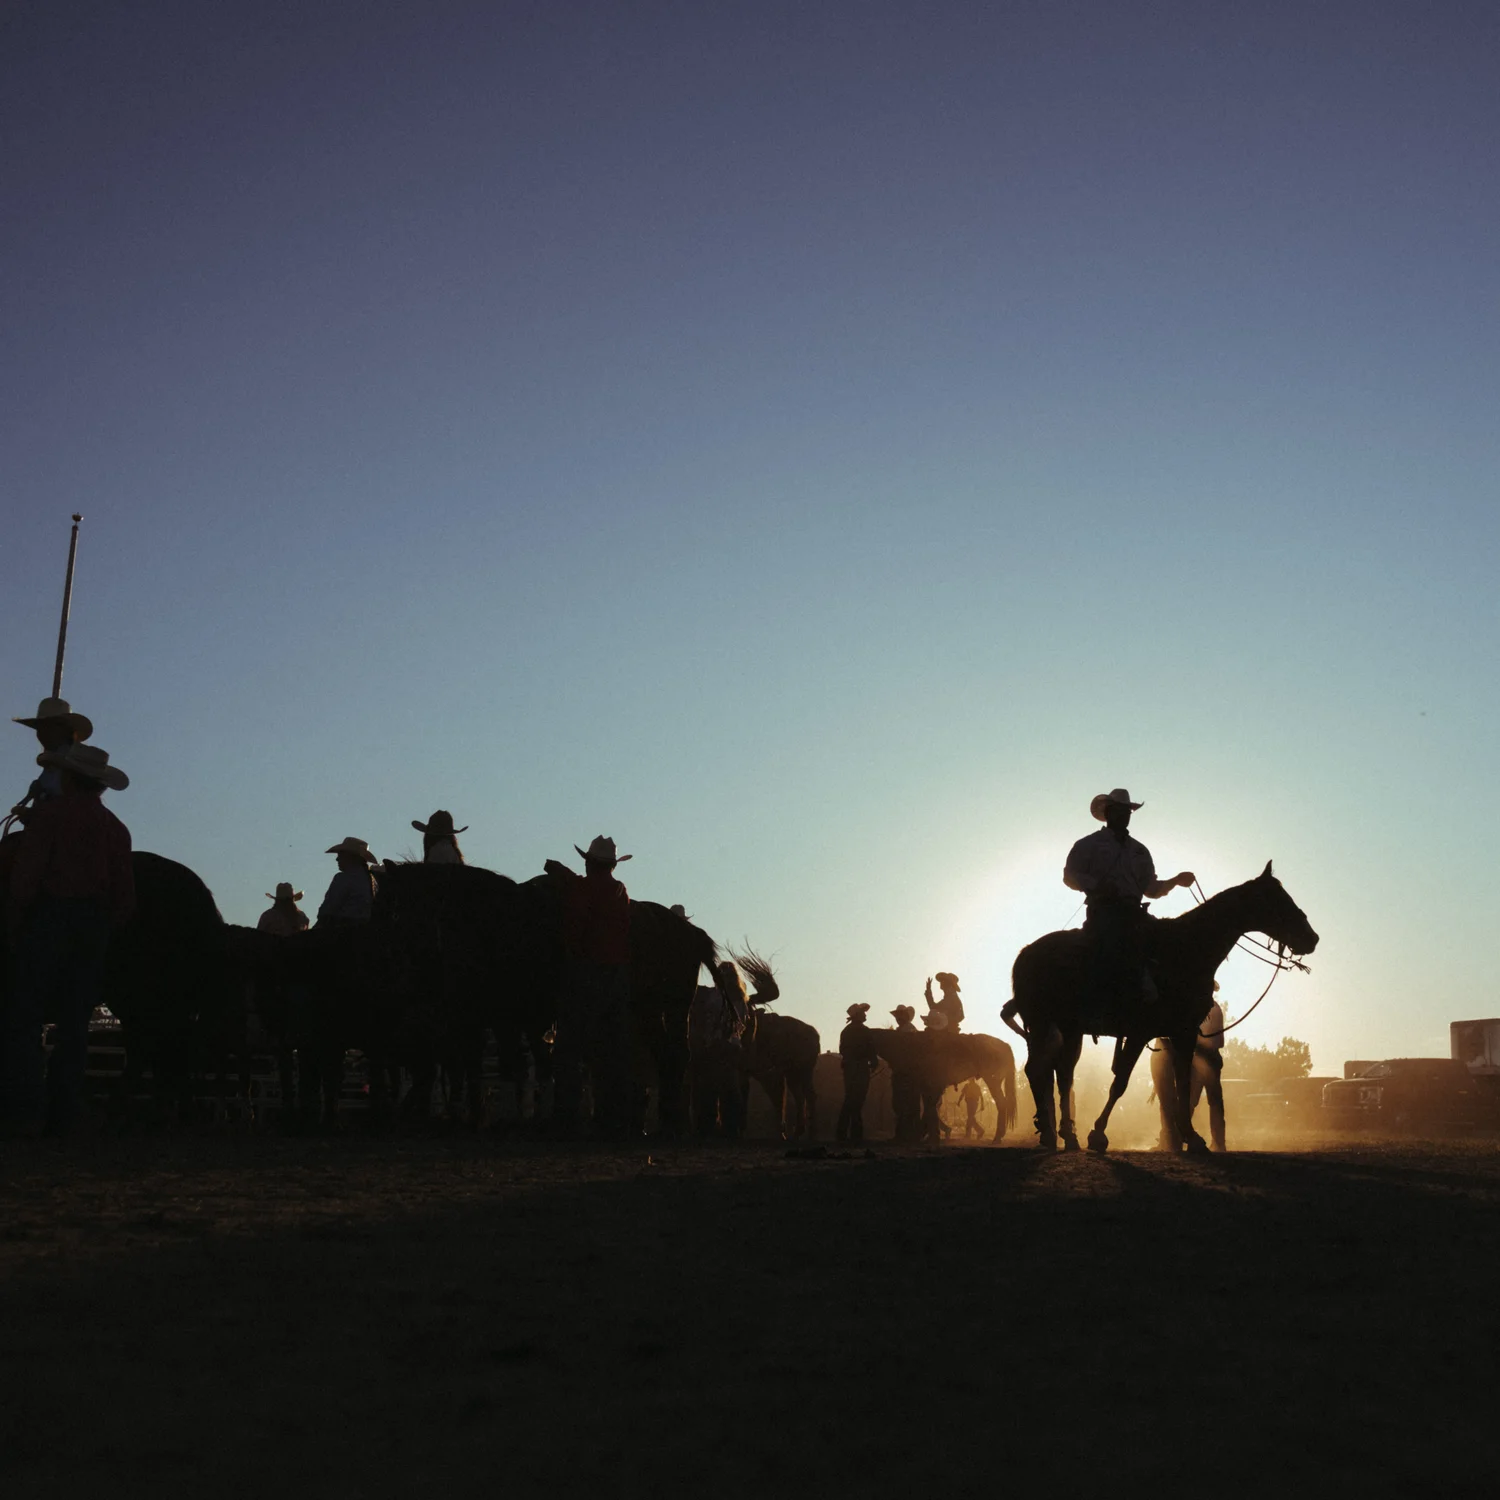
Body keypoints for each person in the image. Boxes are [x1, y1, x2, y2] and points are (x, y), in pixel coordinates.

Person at [4, 743, 134, 1136]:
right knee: (76, 1021)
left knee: (24, 1014)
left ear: (70, 778)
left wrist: (17, 916)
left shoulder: (49, 817)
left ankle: (24, 1107)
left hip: (51, 916)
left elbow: (25, 882)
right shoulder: (115, 829)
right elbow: (125, 899)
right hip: (92, 925)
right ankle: (64, 1113)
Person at [1063, 788, 1194, 1028]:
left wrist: (1175, 880)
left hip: (1135, 914)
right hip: (1103, 913)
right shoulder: (1088, 844)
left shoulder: (1140, 851)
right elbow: (1069, 876)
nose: (1124, 815)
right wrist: (1097, 886)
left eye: (1128, 811)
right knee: (1117, 944)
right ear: (1108, 812)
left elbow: (1151, 889)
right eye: (1119, 810)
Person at [543, 835, 633, 1137]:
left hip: (587, 975)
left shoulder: (582, 889)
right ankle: (611, 1118)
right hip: (617, 977)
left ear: (589, 861)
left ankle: (567, 1117)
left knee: (569, 1049)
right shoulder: (620, 890)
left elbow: (575, 928)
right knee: (611, 1050)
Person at [9, 697, 94, 823]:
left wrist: (34, 814)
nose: (41, 733)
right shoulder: (55, 759)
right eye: (40, 728)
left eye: (47, 727)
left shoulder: (70, 760)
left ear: (64, 730)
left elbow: (63, 800)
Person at [836, 1002, 878, 1143]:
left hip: (849, 1069)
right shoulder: (865, 1031)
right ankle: (855, 1133)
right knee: (858, 1100)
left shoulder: (845, 1032)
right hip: (860, 1068)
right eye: (863, 1012)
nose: (865, 1014)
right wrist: (873, 1062)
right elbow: (871, 1050)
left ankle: (843, 1133)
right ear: (858, 1016)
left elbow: (843, 1050)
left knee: (850, 1099)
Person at [316, 837, 379, 926]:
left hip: (342, 930)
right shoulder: (372, 881)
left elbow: (328, 910)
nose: (337, 859)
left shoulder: (343, 878)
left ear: (351, 857)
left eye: (340, 855)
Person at [888, 1004, 922, 1144]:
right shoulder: (907, 1030)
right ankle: (910, 1134)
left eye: (899, 1016)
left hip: (906, 1073)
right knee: (908, 1103)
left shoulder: (907, 1031)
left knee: (903, 1103)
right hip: (909, 1072)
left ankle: (905, 1135)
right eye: (897, 1016)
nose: (897, 1018)